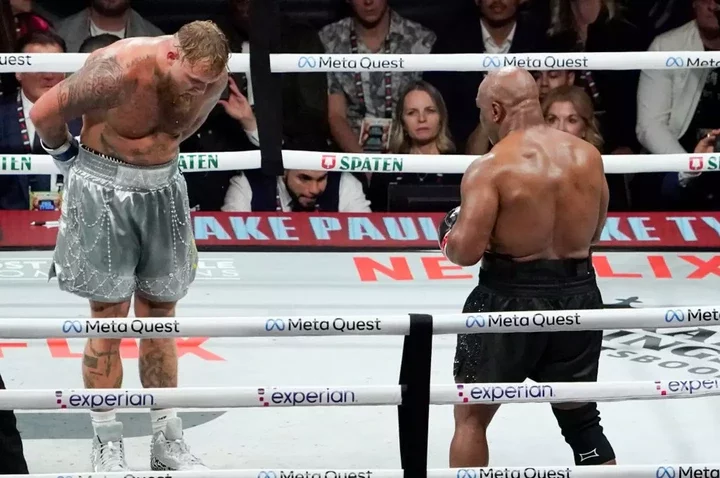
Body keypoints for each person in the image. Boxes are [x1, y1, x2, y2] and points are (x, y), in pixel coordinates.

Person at [29, 20, 231, 472]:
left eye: (207, 82)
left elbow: (183, 125)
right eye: (193, 80)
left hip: (165, 187)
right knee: (108, 317)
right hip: (103, 186)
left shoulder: (212, 77)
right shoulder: (116, 69)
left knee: (162, 316)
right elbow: (43, 113)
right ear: (173, 54)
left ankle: (167, 438)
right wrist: (65, 157)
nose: (199, 90)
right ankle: (107, 440)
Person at [438, 67, 616, 467]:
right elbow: (594, 235)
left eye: (483, 110)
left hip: (508, 298)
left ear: (497, 111)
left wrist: (446, 234)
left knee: (471, 416)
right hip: (579, 295)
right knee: (583, 422)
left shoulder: (491, 167)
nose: (482, 118)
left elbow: (464, 252)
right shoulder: (588, 157)